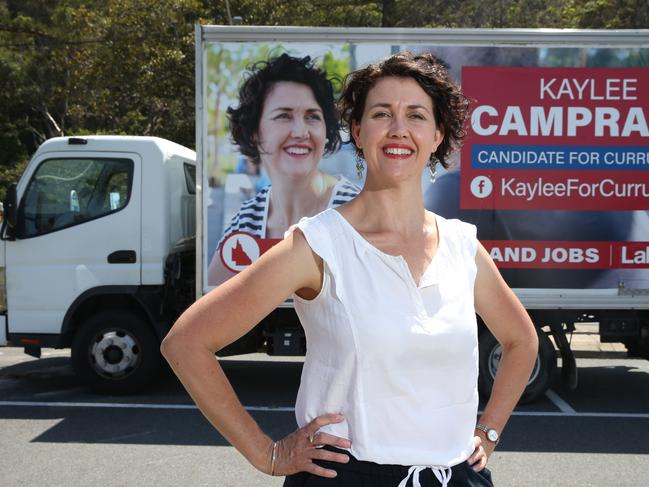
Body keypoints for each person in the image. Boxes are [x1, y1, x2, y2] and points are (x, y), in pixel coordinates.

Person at [162, 51, 538, 486]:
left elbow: (521, 340)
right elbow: (186, 343)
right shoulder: (319, 245)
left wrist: (487, 434)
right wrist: (266, 452)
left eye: (416, 115)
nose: (399, 129)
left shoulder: (462, 246)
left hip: (454, 475)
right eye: (382, 113)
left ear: (438, 134)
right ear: (358, 131)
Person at [208, 54, 360, 286]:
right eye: (284, 116)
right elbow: (213, 295)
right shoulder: (248, 218)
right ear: (254, 132)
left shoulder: (357, 211)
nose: (301, 131)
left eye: (312, 117)